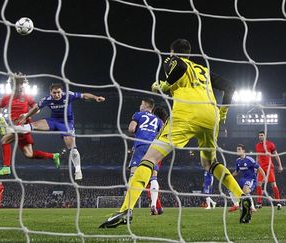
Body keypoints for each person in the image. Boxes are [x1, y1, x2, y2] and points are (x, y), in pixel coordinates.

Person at [99, 38, 251, 228]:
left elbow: (178, 66)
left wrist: (164, 86)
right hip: (211, 116)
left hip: (187, 113)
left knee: (149, 158)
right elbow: (230, 87)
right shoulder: (202, 69)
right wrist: (223, 111)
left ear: (172, 52)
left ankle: (125, 210)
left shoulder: (171, 60)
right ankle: (242, 196)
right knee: (209, 163)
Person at [13, 83, 105, 180]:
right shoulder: (47, 99)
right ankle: (13, 128)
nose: (56, 95)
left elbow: (84, 95)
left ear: (62, 92)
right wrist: (26, 116)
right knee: (35, 125)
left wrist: (95, 97)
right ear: (50, 92)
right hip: (54, 121)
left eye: (58, 92)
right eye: (54, 93)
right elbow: (36, 108)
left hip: (66, 123)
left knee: (72, 148)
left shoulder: (69, 95)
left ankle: (78, 170)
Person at [0, 74, 60, 176]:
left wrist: (26, 114)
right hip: (16, 127)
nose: (20, 87)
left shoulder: (27, 97)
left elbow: (36, 110)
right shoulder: (7, 97)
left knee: (4, 140)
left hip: (24, 126)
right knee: (29, 154)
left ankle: (6, 167)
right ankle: (53, 156)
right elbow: (0, 106)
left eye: (21, 84)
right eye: (18, 85)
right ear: (12, 86)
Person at [128, 99, 165, 215]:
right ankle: (154, 205)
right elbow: (162, 135)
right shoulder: (159, 120)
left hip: (140, 146)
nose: (140, 106)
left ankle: (128, 207)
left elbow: (131, 129)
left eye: (141, 104)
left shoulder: (138, 114)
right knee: (154, 177)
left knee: (133, 175)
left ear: (145, 105)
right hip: (153, 149)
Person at [229, 144, 266, 212]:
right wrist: (229, 176)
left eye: (239, 149)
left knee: (245, 190)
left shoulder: (250, 159)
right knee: (231, 188)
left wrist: (264, 177)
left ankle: (252, 207)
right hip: (243, 179)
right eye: (237, 149)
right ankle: (236, 204)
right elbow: (236, 172)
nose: (237, 151)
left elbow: (259, 168)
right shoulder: (238, 161)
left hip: (251, 179)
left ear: (243, 151)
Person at [254, 131, 283, 210]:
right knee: (259, 184)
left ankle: (278, 202)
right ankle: (259, 203)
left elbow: (276, 155)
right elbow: (257, 157)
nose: (260, 136)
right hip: (261, 167)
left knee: (273, 184)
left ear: (265, 136)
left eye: (261, 135)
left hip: (269, 167)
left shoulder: (270, 144)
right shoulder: (257, 146)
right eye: (259, 135)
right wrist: (256, 167)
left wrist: (280, 165)